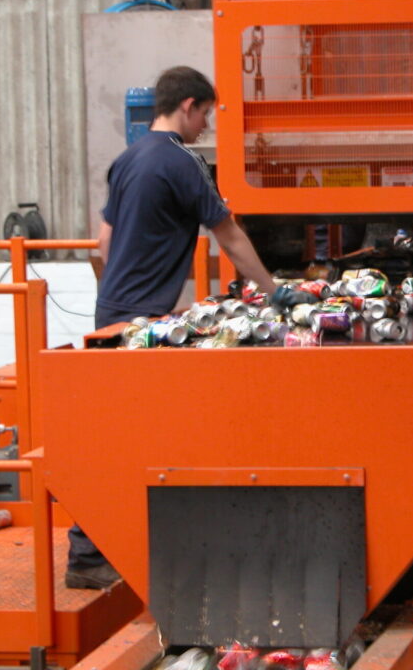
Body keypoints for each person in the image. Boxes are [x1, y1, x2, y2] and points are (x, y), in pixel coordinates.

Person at [66, 65, 278, 589]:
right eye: (206, 112)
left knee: (111, 437)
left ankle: (92, 552)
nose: (206, 123)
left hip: (110, 315)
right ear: (188, 106)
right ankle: (95, 557)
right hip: (145, 325)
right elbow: (229, 237)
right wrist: (276, 294)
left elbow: (103, 245)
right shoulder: (185, 163)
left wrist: (123, 292)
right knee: (145, 435)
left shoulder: (127, 159)